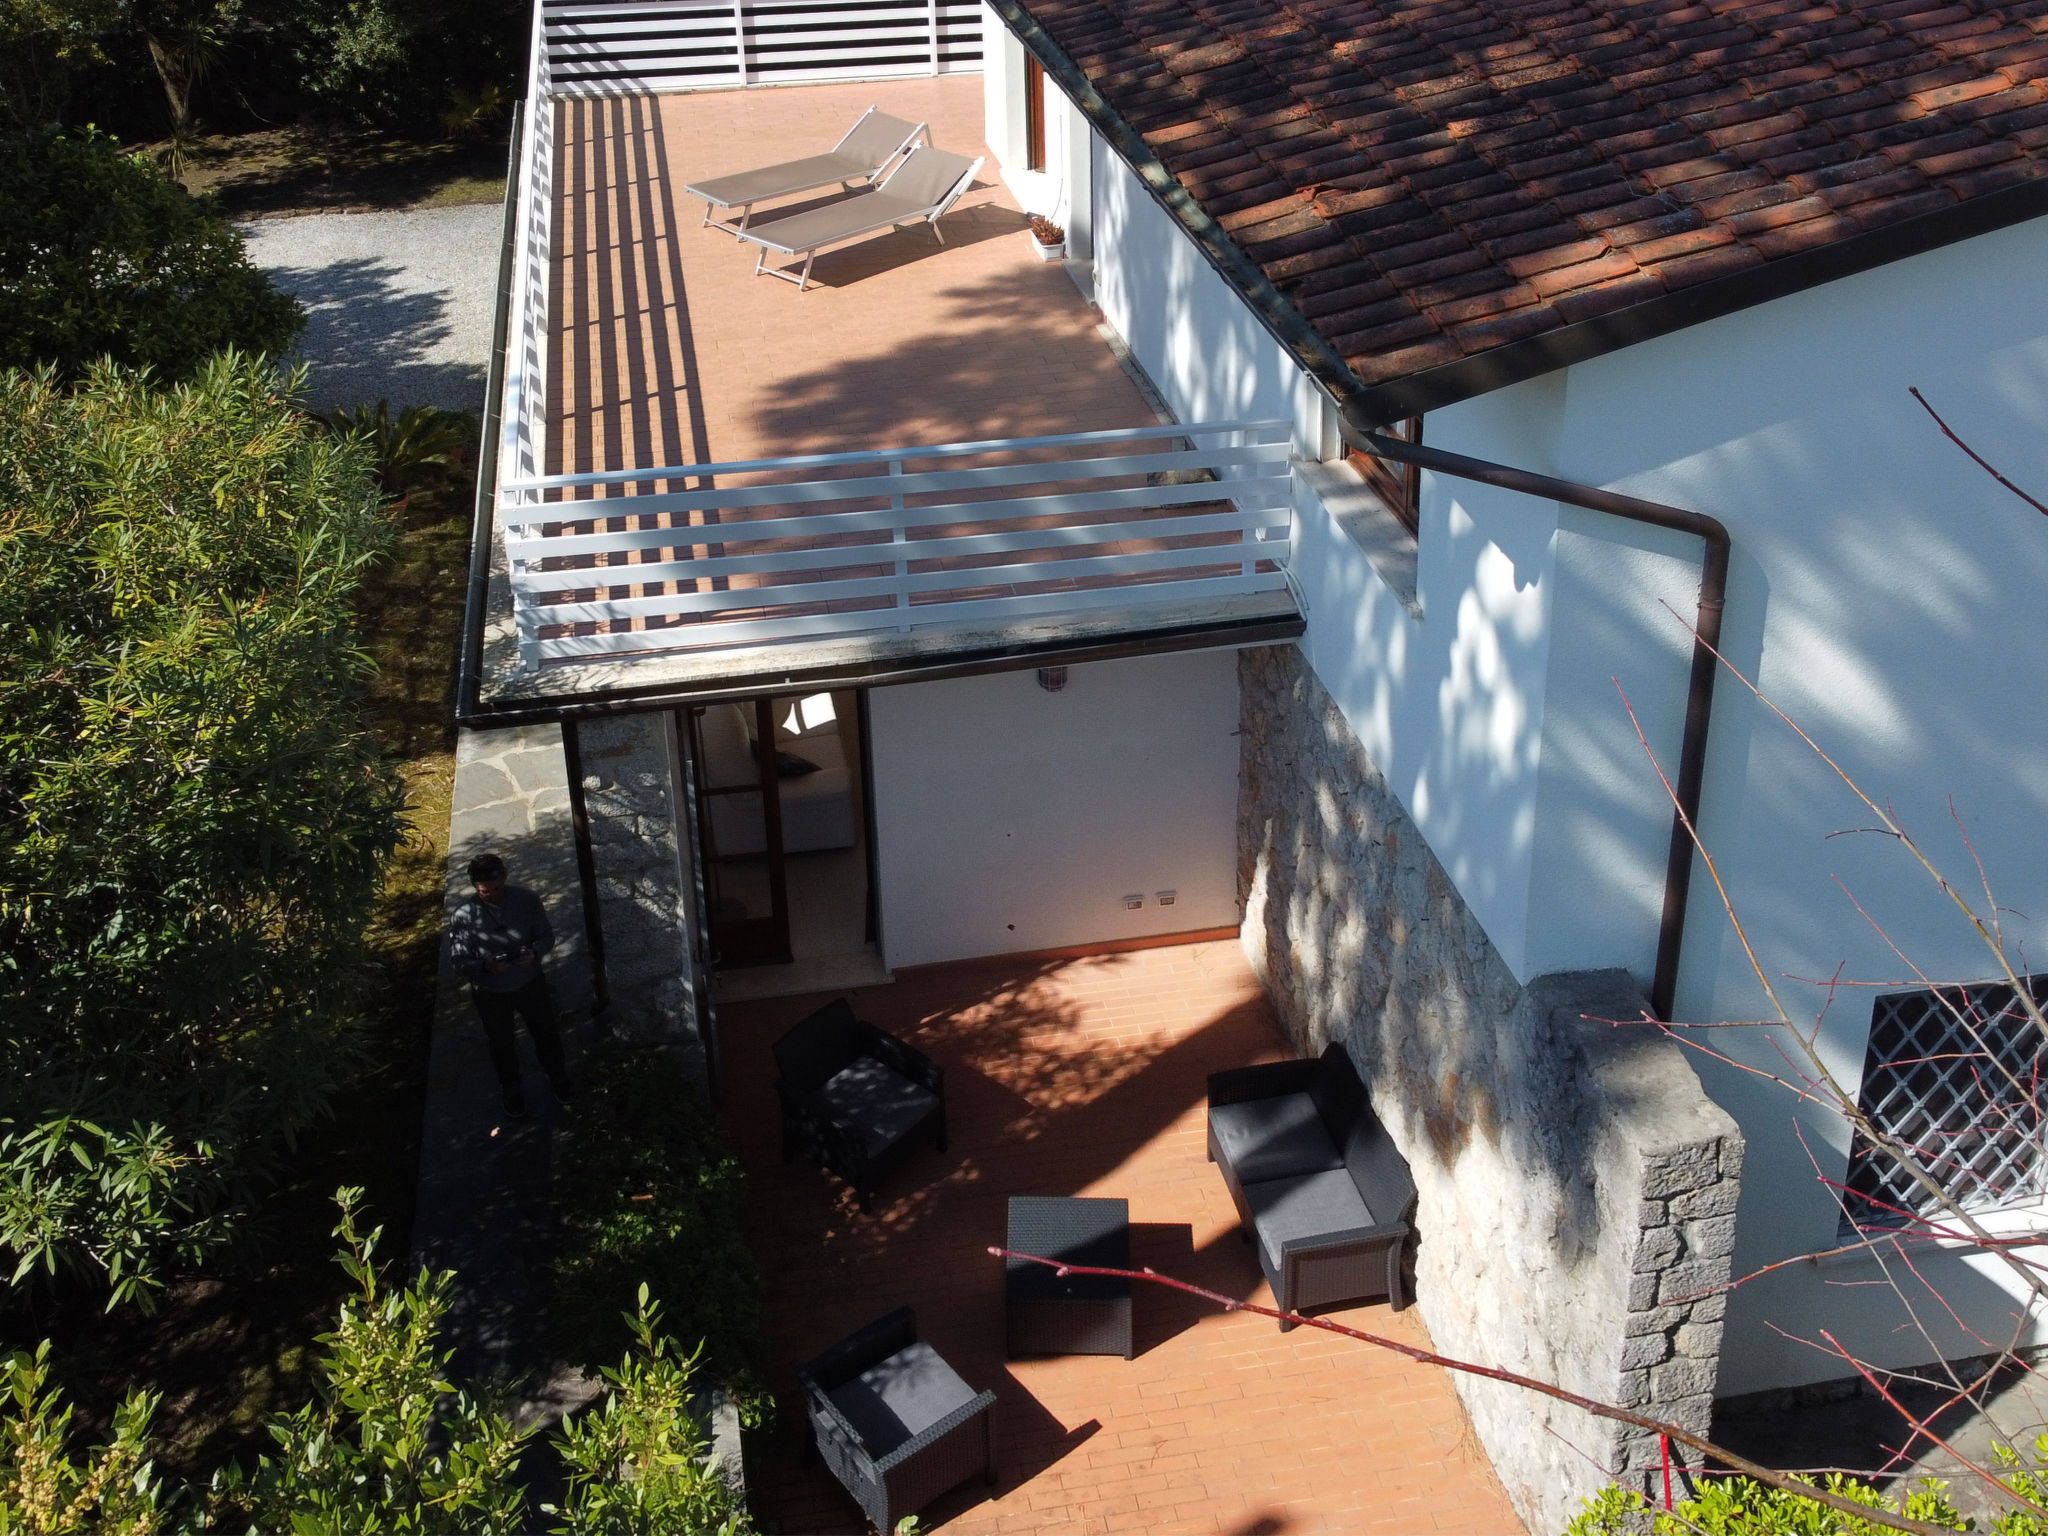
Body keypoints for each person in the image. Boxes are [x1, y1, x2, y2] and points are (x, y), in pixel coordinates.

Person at [449, 852, 572, 1118]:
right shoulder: (463, 916)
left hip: (530, 983)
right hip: (491, 993)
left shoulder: (527, 900)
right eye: (484, 891)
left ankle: (557, 1076)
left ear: (505, 878)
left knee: (546, 1033)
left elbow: (546, 936)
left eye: (495, 888)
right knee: (501, 1043)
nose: (490, 894)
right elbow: (459, 961)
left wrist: (535, 953)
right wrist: (485, 966)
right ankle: (511, 1087)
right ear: (474, 886)